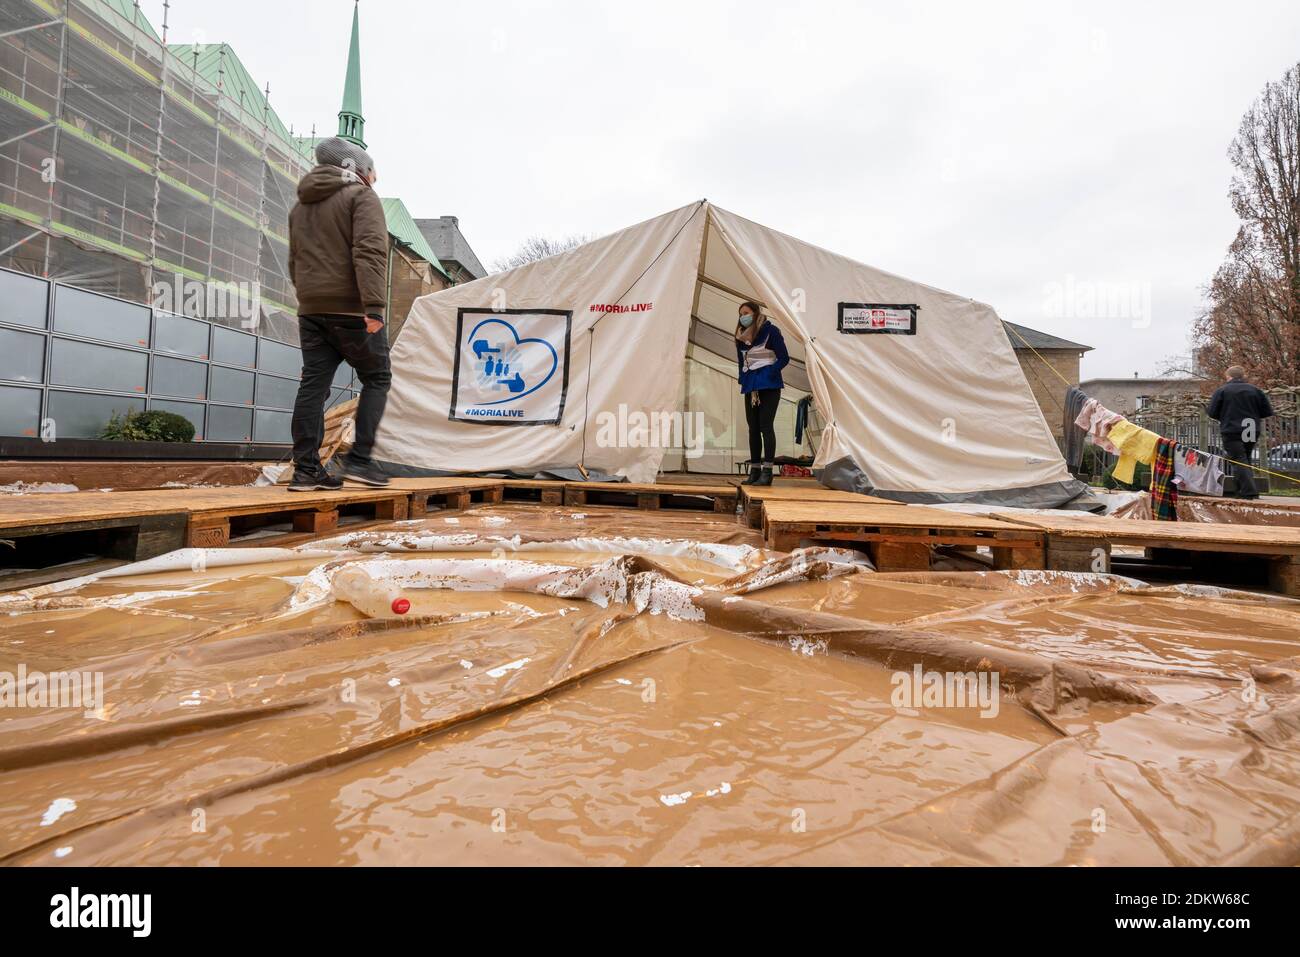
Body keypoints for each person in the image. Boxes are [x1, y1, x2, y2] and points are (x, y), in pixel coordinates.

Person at [286, 136, 392, 490]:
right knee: (377, 377)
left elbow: (294, 260)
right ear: (356, 168)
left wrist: (309, 298)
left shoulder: (300, 207)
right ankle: (360, 460)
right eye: (372, 171)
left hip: (312, 309)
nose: (374, 177)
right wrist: (374, 307)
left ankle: (306, 470)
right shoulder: (361, 197)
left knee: (313, 385)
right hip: (353, 308)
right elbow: (370, 252)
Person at [735, 301, 789, 486]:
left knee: (766, 426)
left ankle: (768, 471)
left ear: (756, 313)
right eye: (741, 313)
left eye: (746, 312)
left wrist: (770, 372)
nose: (743, 316)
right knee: (753, 428)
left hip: (769, 385)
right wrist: (743, 379)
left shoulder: (771, 331)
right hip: (751, 387)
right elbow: (740, 362)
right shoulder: (740, 337)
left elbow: (784, 357)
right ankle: (755, 470)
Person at [1207, 365, 1274, 500]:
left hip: (1232, 429)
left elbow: (1212, 412)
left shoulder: (1222, 391)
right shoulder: (1256, 390)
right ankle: (1240, 491)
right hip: (1250, 428)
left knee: (1238, 459)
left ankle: (1249, 491)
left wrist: (1225, 416)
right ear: (1243, 376)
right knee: (1245, 459)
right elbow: (1267, 412)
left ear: (1228, 376)